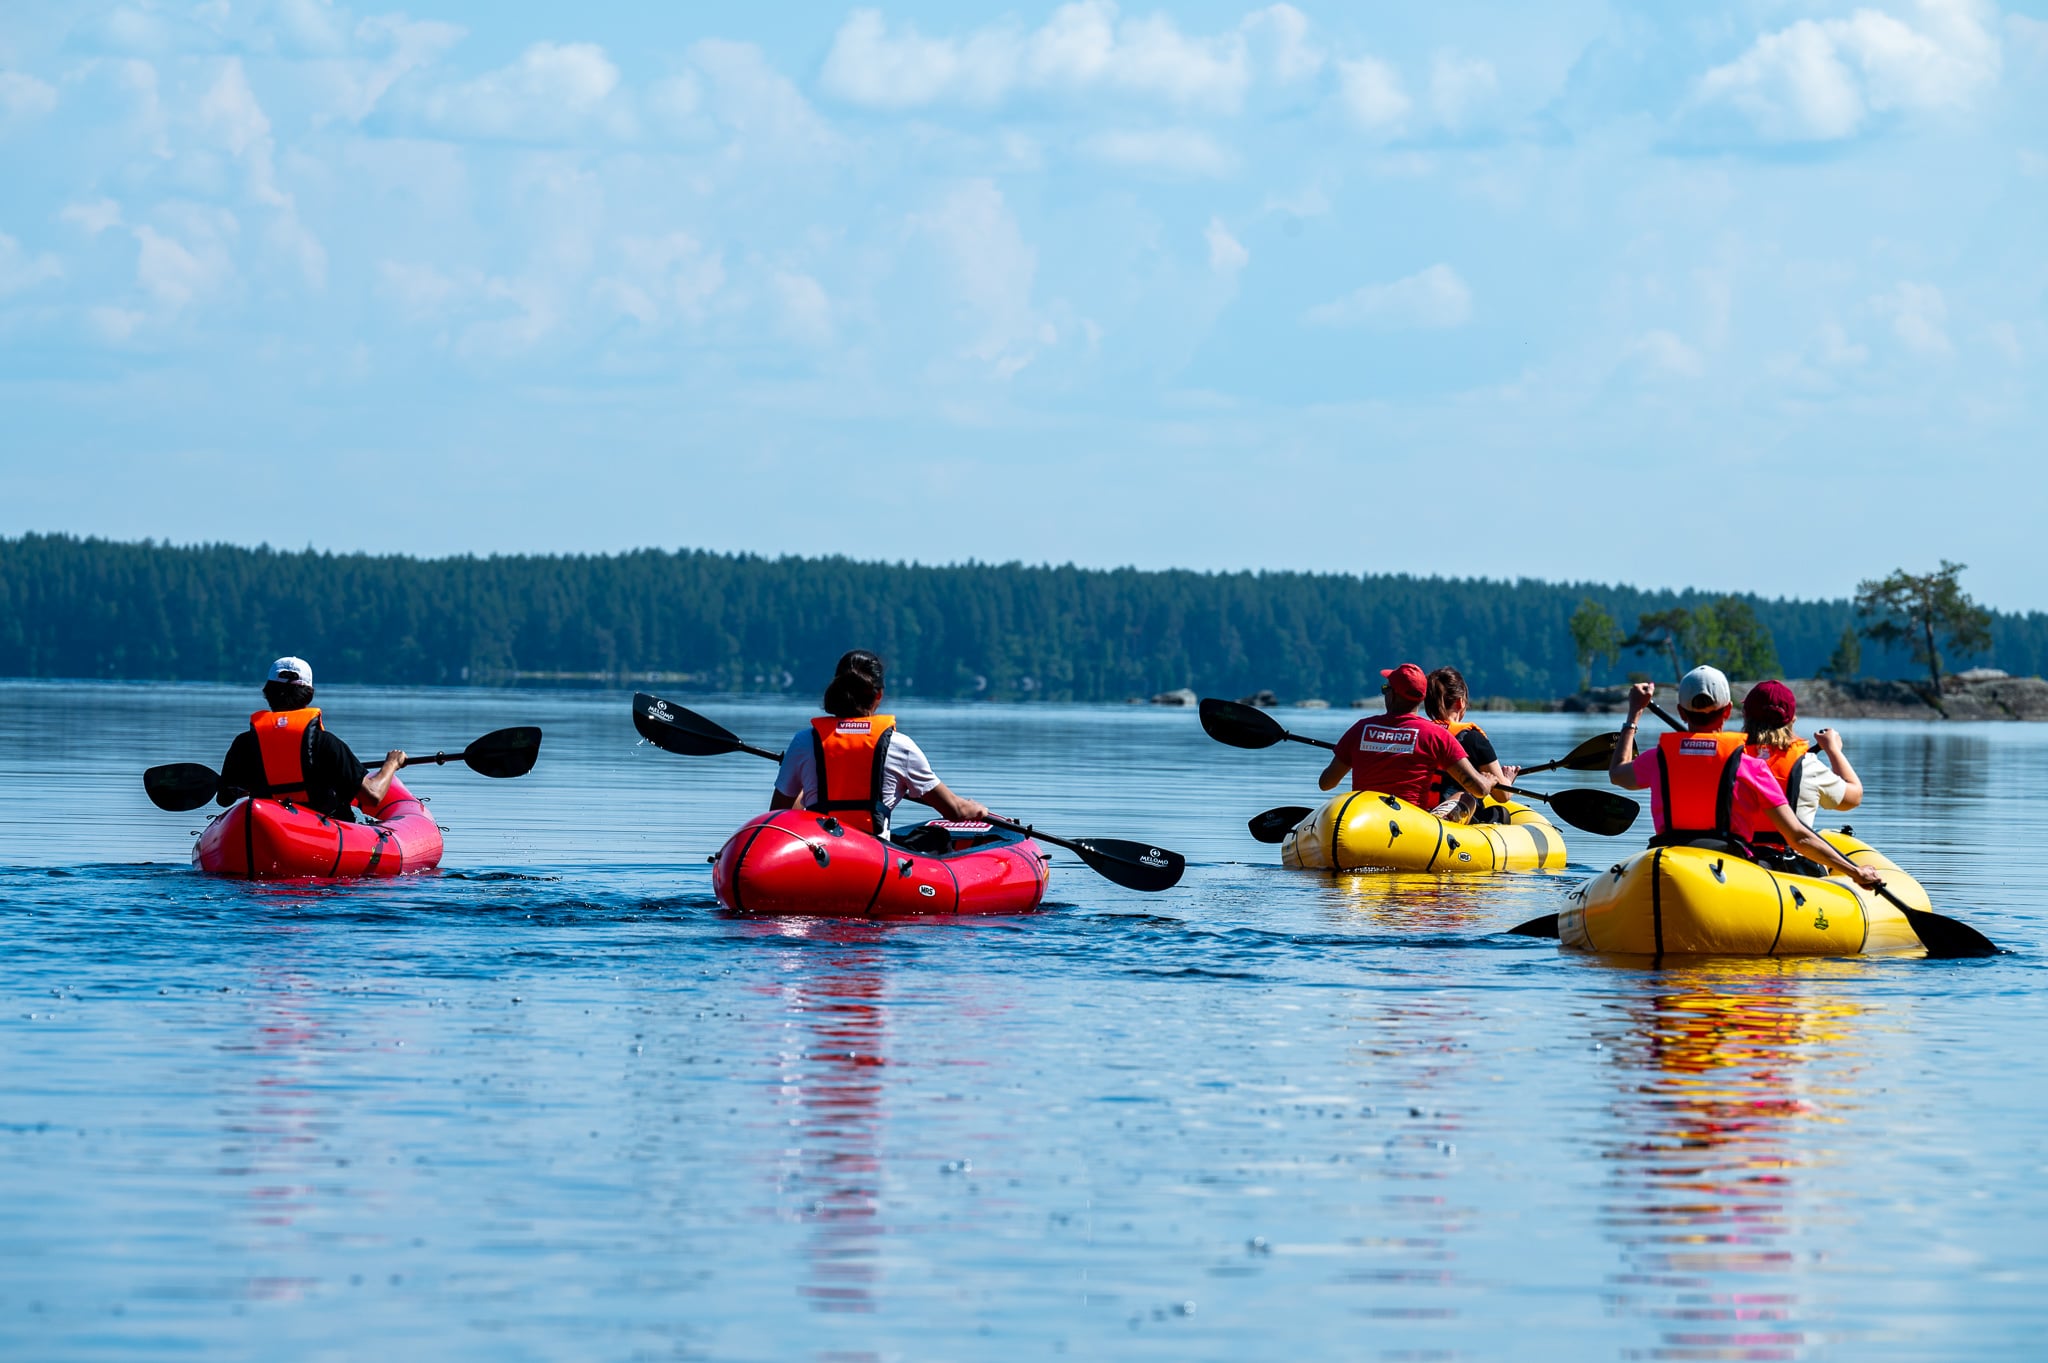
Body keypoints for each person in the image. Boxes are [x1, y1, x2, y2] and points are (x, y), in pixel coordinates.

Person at [1607, 665, 1881, 888]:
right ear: (1727, 711)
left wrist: (1634, 714)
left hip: (1670, 860)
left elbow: (1618, 773)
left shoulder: (1659, 757)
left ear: (1681, 712)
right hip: (1731, 868)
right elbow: (1799, 837)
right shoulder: (1746, 766)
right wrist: (1855, 872)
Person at [770, 650, 994, 838]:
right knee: (936, 840)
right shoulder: (900, 746)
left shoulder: (803, 742)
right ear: (879, 695)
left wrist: (805, 791)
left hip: (819, 853)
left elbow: (779, 815)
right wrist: (976, 809)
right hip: (873, 859)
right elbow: (954, 810)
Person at [218, 656, 405, 822]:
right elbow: (372, 795)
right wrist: (391, 764)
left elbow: (224, 798)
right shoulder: (326, 743)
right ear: (309, 695)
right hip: (319, 830)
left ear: (267, 693)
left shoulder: (244, 743)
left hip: (267, 826)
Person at [1319, 662, 1517, 810]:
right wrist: (1490, 781)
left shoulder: (1361, 729)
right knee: (1466, 797)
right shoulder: (1437, 736)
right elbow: (1480, 790)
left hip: (1365, 815)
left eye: (1386, 689)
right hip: (1410, 822)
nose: (1385, 693)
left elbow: (1326, 783)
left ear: (1394, 695)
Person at [1741, 679, 1863, 835]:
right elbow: (1853, 798)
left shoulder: (1730, 759)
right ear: (1793, 719)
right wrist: (1833, 750)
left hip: (1731, 854)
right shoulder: (1807, 766)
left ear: (1745, 715)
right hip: (1787, 855)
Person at [1423, 666, 1509, 823]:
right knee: (1500, 812)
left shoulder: (1421, 733)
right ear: (1460, 702)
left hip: (1418, 813)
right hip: (1455, 817)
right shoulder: (1473, 739)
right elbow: (1503, 795)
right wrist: (1508, 779)